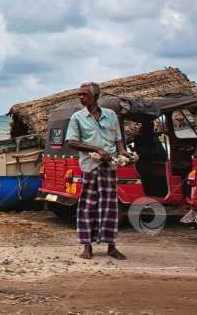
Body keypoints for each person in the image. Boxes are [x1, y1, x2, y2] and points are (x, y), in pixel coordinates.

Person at [66, 81, 130, 260]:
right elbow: (71, 142)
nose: (80, 97)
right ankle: (87, 246)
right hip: (90, 166)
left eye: (84, 94)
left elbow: (118, 139)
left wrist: (123, 151)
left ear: (95, 96)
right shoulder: (77, 117)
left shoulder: (110, 115)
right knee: (88, 206)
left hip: (109, 167)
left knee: (110, 207)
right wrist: (96, 150)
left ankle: (111, 246)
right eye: (79, 94)